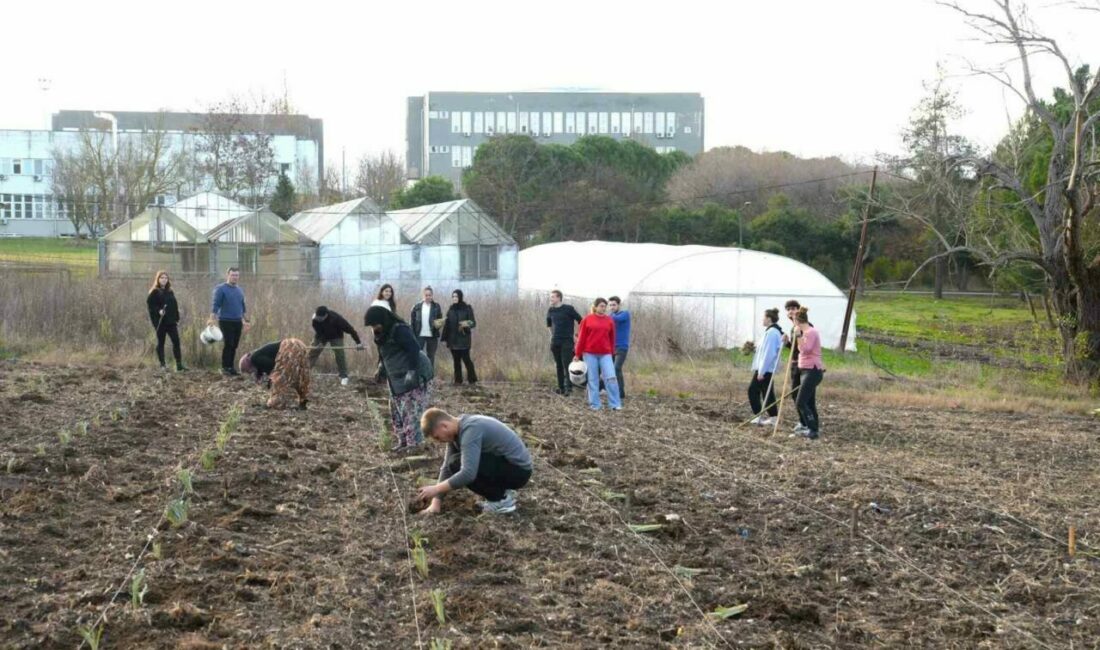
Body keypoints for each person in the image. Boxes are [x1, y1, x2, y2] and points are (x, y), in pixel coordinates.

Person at [416, 408, 533, 515]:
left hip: (519, 471)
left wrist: (436, 489)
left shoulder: (470, 430)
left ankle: (500, 500)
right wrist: (436, 502)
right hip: (509, 467)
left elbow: (468, 474)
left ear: (444, 426)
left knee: (458, 464)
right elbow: (446, 467)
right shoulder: (457, 431)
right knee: (454, 462)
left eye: (437, 437)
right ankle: (502, 492)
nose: (439, 441)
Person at [365, 305, 433, 452]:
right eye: (371, 326)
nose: (374, 328)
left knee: (410, 410)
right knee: (396, 410)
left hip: (415, 372)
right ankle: (403, 442)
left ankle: (414, 444)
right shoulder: (380, 335)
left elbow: (414, 349)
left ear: (382, 321)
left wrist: (412, 372)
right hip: (395, 375)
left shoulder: (400, 329)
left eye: (375, 324)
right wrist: (381, 370)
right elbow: (385, 355)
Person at [574, 298, 622, 411]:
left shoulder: (609, 320)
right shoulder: (587, 320)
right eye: (601, 306)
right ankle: (595, 404)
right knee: (593, 379)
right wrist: (577, 353)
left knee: (611, 378)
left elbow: (612, 338)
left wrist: (612, 352)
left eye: (605, 306)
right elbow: (581, 338)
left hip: (605, 353)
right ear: (595, 307)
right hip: (589, 353)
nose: (603, 308)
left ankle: (615, 404)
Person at [240, 338, 311, 409]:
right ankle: (302, 401)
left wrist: (271, 380)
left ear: (247, 365)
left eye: (248, 371)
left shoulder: (254, 358)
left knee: (279, 378)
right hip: (299, 345)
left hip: (288, 348)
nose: (251, 372)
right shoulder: (258, 354)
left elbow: (273, 366)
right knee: (300, 376)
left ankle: (273, 404)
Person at [208, 267, 250, 376]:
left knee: (234, 345)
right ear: (228, 275)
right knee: (229, 344)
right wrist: (211, 318)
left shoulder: (239, 290)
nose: (235, 277)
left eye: (236, 275)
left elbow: (242, 307)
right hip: (225, 321)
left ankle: (231, 367)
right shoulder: (220, 289)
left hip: (237, 321)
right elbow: (215, 305)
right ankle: (225, 367)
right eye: (232, 275)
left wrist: (246, 321)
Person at [308, 306, 363, 386]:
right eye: (317, 317)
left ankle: (344, 376)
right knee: (313, 352)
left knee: (339, 354)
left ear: (326, 315)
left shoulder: (336, 319)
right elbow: (319, 332)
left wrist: (358, 343)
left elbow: (350, 330)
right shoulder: (315, 319)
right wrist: (320, 342)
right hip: (321, 335)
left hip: (336, 336)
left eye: (320, 318)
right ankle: (304, 372)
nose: (318, 319)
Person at [781, 299, 813, 435]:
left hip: (804, 365)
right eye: (788, 309)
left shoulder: (805, 326)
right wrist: (788, 343)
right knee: (796, 395)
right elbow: (796, 348)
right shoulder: (793, 327)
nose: (791, 311)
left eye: (794, 308)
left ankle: (809, 424)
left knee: (803, 397)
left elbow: (806, 348)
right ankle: (803, 421)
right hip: (796, 364)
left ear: (799, 310)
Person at [793, 307, 824, 440]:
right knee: (809, 402)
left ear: (797, 321)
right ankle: (814, 429)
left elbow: (805, 350)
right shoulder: (806, 333)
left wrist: (798, 335)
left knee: (800, 402)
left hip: (812, 371)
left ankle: (811, 428)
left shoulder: (810, 332)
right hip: (805, 370)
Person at [748, 308, 783, 426]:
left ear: (768, 318)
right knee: (767, 392)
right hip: (765, 368)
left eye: (763, 317)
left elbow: (769, 353)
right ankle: (773, 417)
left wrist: (761, 371)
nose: (762, 320)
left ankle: (759, 417)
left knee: (753, 390)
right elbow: (763, 350)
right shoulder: (770, 331)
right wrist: (753, 348)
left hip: (765, 369)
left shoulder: (773, 332)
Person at [146, 270, 185, 372]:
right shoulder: (154, 292)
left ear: (168, 280)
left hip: (171, 322)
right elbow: (151, 306)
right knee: (161, 342)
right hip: (160, 322)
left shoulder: (170, 291)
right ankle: (163, 364)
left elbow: (174, 305)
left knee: (176, 341)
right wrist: (158, 311)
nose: (164, 280)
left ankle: (179, 365)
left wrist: (177, 317)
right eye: (162, 278)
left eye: (166, 278)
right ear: (158, 279)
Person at [546, 290, 582, 395]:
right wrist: (551, 335)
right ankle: (561, 388)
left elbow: (581, 321)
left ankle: (568, 388)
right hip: (555, 341)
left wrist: (577, 336)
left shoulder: (568, 309)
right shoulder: (551, 310)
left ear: (559, 298)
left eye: (552, 297)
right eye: (550, 296)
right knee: (558, 365)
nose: (550, 298)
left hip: (567, 341)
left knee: (567, 364)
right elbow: (549, 325)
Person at [441, 289, 478, 385]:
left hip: (464, 339)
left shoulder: (467, 308)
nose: (454, 298)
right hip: (453, 340)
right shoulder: (450, 310)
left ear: (460, 297)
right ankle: (458, 380)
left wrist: (465, 324)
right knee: (456, 362)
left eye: (456, 296)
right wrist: (444, 338)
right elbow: (447, 325)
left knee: (467, 360)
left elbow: (473, 323)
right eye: (453, 296)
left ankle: (472, 380)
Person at [409, 286, 443, 374]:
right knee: (418, 355)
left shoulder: (436, 306)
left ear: (432, 296)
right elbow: (411, 323)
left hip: (432, 335)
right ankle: (417, 375)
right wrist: (412, 335)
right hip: (419, 335)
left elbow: (440, 320)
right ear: (423, 295)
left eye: (430, 295)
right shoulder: (416, 307)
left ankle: (429, 376)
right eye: (426, 295)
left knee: (431, 357)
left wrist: (438, 325)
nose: (428, 297)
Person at [368, 284, 396, 382]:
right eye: (386, 291)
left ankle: (383, 376)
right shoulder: (377, 303)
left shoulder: (390, 304)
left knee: (387, 354)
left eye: (390, 291)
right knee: (383, 354)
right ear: (381, 292)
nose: (388, 293)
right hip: (379, 333)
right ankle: (380, 377)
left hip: (389, 333)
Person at [608, 296, 631, 401]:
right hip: (611, 347)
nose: (612, 307)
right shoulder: (610, 316)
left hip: (622, 346)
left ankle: (621, 392)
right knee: (609, 370)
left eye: (614, 305)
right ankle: (610, 390)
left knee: (616, 368)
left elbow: (616, 319)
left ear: (618, 305)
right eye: (610, 305)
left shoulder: (624, 314)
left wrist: (603, 316)